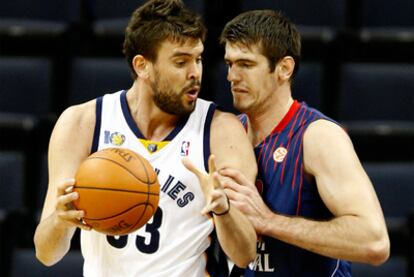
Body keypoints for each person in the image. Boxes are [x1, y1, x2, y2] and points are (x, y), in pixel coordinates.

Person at [33, 1, 257, 276]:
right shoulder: (83, 123)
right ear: (142, 66)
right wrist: (59, 221)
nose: (195, 72)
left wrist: (224, 212)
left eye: (197, 59)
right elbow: (46, 254)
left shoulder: (222, 131)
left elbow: (246, 255)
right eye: (180, 61)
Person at [218, 10, 390, 276]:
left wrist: (269, 222)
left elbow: (374, 241)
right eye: (230, 64)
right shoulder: (227, 134)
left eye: (246, 65)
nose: (232, 76)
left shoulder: (318, 137)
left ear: (284, 69)